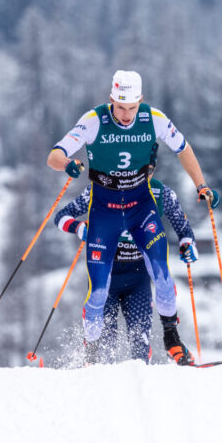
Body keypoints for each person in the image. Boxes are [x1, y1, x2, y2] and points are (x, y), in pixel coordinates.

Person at [46, 69, 219, 365]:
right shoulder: (93, 121)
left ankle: (171, 337)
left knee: (163, 278)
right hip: (105, 212)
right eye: (120, 107)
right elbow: (55, 154)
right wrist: (67, 164)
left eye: (132, 107)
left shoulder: (154, 118)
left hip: (141, 208)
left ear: (141, 100)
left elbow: (184, 148)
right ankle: (91, 351)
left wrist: (201, 185)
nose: (126, 115)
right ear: (111, 99)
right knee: (97, 294)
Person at [54, 154, 199, 363]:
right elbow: (61, 216)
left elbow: (184, 229)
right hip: (107, 274)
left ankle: (172, 342)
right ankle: (91, 360)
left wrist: (188, 245)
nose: (144, 176)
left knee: (140, 346)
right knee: (105, 348)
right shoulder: (101, 190)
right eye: (140, 171)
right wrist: (79, 228)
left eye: (149, 171)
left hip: (137, 276)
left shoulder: (161, 193)